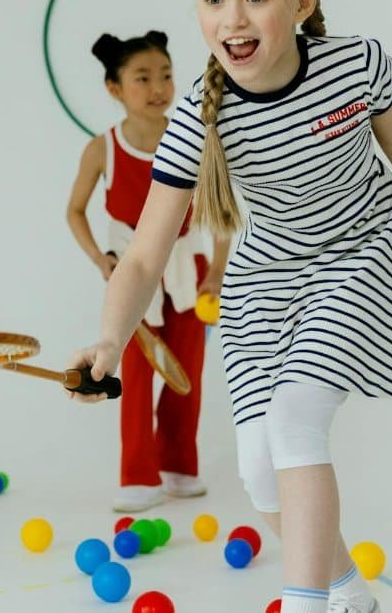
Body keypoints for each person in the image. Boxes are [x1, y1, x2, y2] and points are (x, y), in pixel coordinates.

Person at [69, 0, 392, 610]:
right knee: (259, 466)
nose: (234, 19)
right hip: (265, 276)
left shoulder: (355, 64)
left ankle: (306, 600)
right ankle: (349, 592)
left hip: (359, 257)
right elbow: (141, 255)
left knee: (293, 424)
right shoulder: (199, 113)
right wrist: (110, 339)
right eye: (214, 0)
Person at [66, 30, 230, 513]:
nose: (158, 86)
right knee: (132, 377)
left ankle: (179, 465)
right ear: (114, 89)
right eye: (142, 78)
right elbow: (74, 211)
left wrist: (216, 272)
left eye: (166, 74)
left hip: (188, 274)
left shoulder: (193, 137)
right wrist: (101, 258)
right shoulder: (103, 149)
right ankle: (137, 474)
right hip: (131, 275)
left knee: (187, 376)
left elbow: (219, 210)